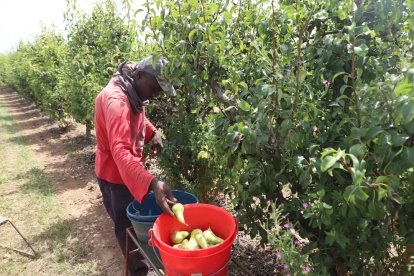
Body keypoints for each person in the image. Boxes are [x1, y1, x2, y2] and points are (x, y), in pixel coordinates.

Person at [94, 56, 178, 276]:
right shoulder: (116, 101)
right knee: (126, 228)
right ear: (140, 75)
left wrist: (152, 132)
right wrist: (152, 182)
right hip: (114, 177)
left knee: (133, 223)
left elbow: (136, 113)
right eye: (154, 88)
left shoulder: (132, 88)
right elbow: (120, 151)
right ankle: (138, 271)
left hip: (128, 172)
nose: (154, 95)